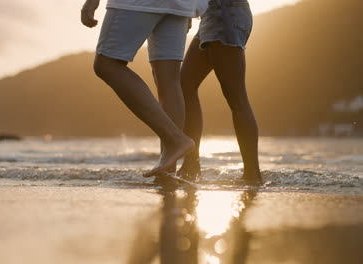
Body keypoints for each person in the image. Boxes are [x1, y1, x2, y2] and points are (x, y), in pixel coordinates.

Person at [80, 0, 207, 177]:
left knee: (106, 64)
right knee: (168, 79)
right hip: (180, 4)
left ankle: (175, 139)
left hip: (137, 3)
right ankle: (168, 171)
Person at [175, 0, 263, 183]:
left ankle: (252, 175)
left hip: (225, 14)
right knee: (185, 86)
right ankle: (191, 164)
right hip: (213, 15)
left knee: (236, 97)